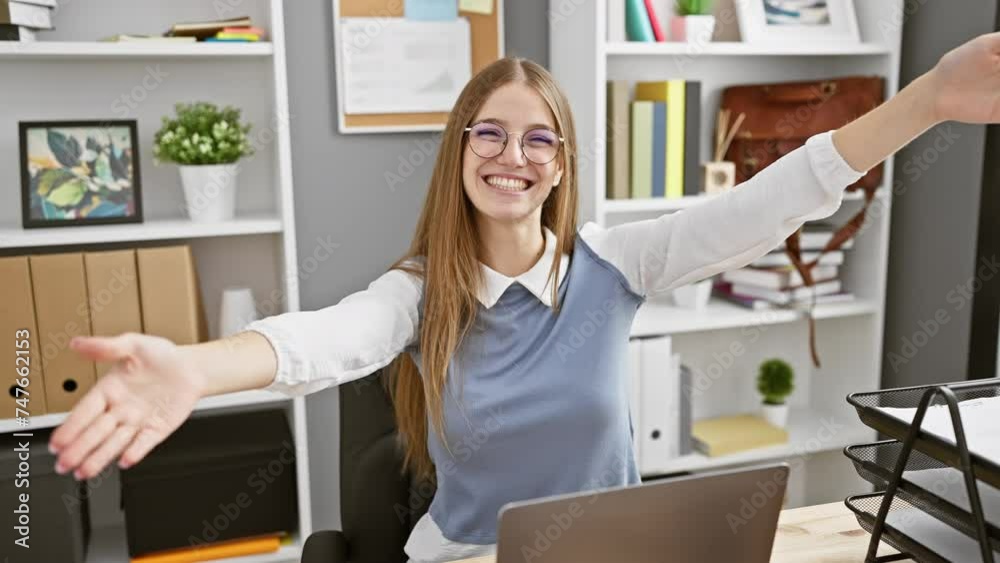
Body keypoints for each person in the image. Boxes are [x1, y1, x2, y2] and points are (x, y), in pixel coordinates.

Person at [49, 33, 1000, 563]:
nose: (513, 155)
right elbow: (321, 341)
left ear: (561, 166)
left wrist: (928, 99)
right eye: (489, 134)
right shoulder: (416, 293)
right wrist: (194, 367)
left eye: (538, 138)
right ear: (461, 152)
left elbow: (772, 198)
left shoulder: (618, 261)